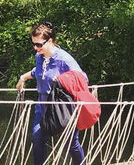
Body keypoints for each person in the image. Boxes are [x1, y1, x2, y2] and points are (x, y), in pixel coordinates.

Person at [16, 22, 87, 165]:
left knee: (70, 143)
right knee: (37, 139)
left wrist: (61, 80)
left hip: (62, 106)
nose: (36, 48)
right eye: (34, 44)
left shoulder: (64, 59)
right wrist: (23, 77)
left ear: (50, 41)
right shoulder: (39, 57)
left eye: (39, 44)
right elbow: (39, 72)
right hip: (42, 106)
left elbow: (82, 78)